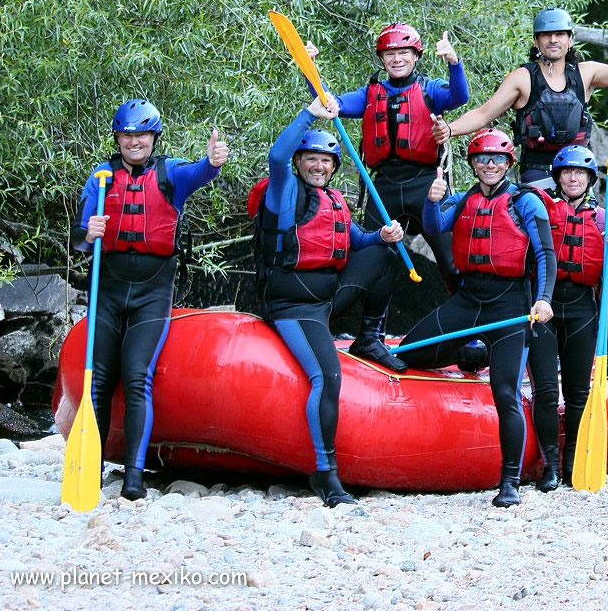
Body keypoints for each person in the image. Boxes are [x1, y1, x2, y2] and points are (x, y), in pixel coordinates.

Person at [250, 95, 405, 507]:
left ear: (334, 168)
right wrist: (308, 115)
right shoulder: (285, 193)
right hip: (291, 306)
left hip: (326, 300)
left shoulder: (335, 201)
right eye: (311, 160)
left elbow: (359, 244)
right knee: (327, 376)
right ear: (301, 163)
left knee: (384, 255)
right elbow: (276, 155)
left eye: (326, 162)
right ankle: (326, 473)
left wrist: (383, 236)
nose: (318, 167)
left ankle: (369, 337)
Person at [72, 99, 229, 501]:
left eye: (140, 134)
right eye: (126, 135)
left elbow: (201, 172)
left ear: (153, 138)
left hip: (152, 291)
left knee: (138, 376)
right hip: (107, 287)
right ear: (118, 138)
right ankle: (90, 470)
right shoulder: (101, 178)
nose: (133, 141)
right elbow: (77, 238)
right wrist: (88, 232)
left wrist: (212, 161)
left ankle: (134, 477)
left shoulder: (171, 173)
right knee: (100, 382)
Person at [393, 128, 555, 508]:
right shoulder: (463, 199)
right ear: (473, 164)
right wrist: (431, 202)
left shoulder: (525, 202)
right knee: (410, 352)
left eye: (497, 159)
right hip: (469, 299)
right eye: (482, 159)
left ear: (508, 163)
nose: (489, 165)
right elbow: (433, 226)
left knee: (505, 394)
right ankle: (471, 354)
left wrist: (543, 299)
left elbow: (546, 253)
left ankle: (510, 480)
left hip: (510, 305)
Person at [322, 24, 469, 359]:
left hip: (425, 185)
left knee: (450, 259)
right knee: (376, 256)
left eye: (404, 53)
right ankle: (370, 336)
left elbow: (459, 97)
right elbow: (330, 103)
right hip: (383, 187)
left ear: (416, 56)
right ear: (382, 58)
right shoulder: (370, 93)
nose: (397, 59)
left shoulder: (429, 90)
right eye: (390, 54)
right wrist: (310, 71)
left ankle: (470, 334)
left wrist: (453, 62)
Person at [434, 7, 608, 188]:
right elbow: (483, 114)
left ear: (570, 39)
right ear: (536, 40)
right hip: (537, 173)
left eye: (560, 34)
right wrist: (449, 129)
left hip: (577, 172)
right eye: (547, 34)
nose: (553, 40)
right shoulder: (522, 78)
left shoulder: (586, 73)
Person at [527, 145, 608, 491]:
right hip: (545, 307)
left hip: (583, 309)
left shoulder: (602, 218)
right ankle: (550, 466)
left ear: (589, 179)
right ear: (557, 177)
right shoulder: (541, 210)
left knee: (578, 394)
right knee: (547, 393)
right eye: (566, 172)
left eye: (579, 172)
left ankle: (573, 464)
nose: (572, 177)